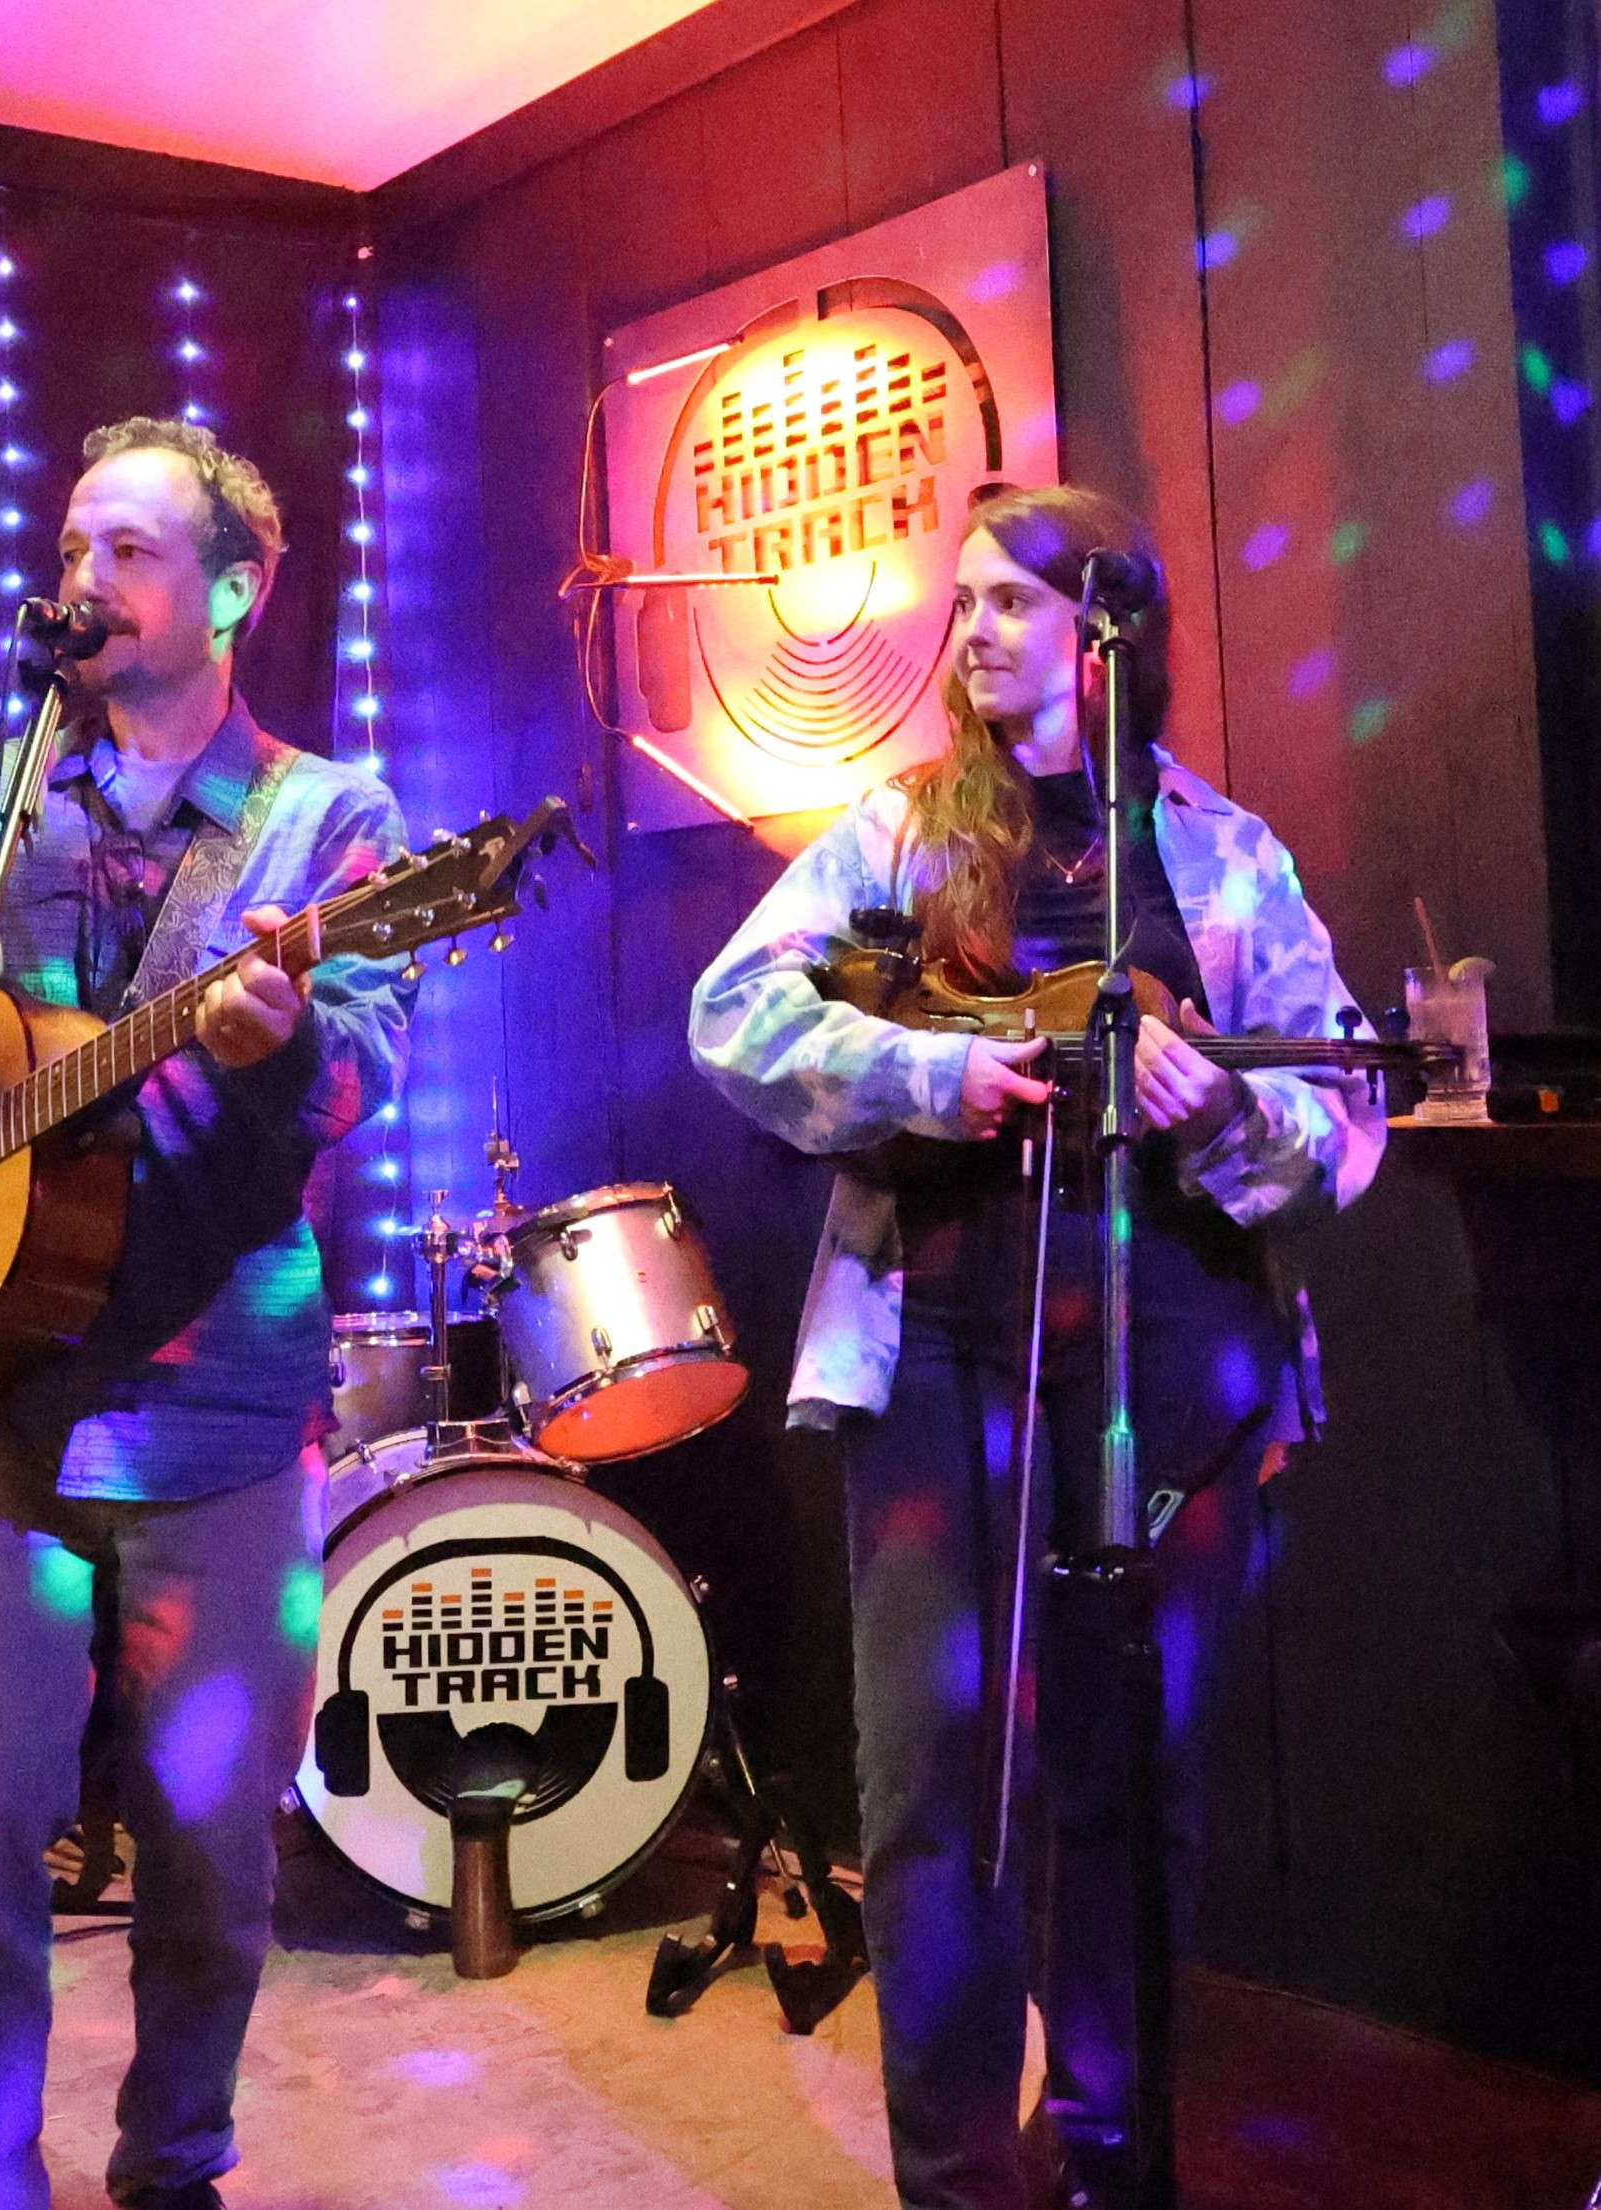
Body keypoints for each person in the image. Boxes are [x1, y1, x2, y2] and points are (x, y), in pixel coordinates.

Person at [0, 416, 412, 2210]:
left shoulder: (330, 822)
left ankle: (172, 2164)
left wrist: (292, 1046)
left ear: (236, 591)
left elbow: (366, 1079)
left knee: (212, 1855)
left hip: (221, 1404)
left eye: (130, 551)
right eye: (73, 546)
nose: (84, 581)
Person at [688, 484, 1383, 2210]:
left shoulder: (1221, 854)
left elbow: (1348, 1115)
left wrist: (1224, 1103)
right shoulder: (899, 833)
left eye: (1010, 599)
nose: (973, 629)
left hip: (1173, 1362)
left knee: (1128, 1773)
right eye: (966, 601)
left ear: (1105, 631)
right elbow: (736, 1016)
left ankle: (1105, 2149)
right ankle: (956, 2178)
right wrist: (930, 1073)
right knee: (935, 1785)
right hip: (939, 1343)